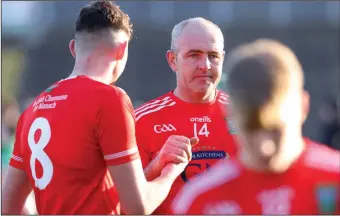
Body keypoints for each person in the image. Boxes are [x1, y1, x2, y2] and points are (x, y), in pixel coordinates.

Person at [1, 1, 192, 215]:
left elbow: (8, 208)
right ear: (122, 50)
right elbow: (138, 207)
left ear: (73, 48)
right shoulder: (110, 99)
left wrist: (156, 165)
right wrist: (171, 171)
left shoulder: (32, 109)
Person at [171, 39, 340, 215]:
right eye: (251, 129)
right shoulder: (200, 201)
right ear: (229, 114)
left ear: (303, 106)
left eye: (276, 129)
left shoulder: (334, 179)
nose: (264, 147)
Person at [135, 17, 238, 214]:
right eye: (194, 55)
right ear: (173, 60)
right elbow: (120, 203)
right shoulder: (142, 120)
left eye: (213, 56)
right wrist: (158, 165)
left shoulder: (246, 115)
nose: (205, 65)